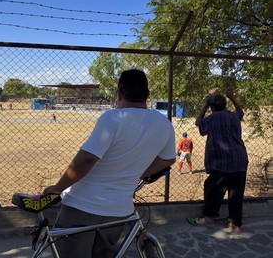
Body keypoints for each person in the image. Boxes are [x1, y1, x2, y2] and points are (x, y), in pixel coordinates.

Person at [43, 69, 176, 258]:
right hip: (119, 210)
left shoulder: (113, 118)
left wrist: (57, 188)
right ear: (147, 95)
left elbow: (87, 159)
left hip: (82, 206)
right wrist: (138, 173)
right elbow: (168, 158)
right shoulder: (164, 123)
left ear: (119, 93)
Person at [187, 87, 248, 233]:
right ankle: (234, 223)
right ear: (225, 105)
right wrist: (232, 97)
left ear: (212, 107)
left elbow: (198, 122)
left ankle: (209, 218)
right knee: (236, 192)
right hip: (240, 159)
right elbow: (241, 113)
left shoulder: (212, 118)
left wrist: (205, 104)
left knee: (212, 187)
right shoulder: (233, 116)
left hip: (223, 162)